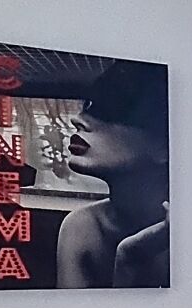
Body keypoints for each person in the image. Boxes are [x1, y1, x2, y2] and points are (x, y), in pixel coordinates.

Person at [55, 60, 170, 288]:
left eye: (114, 111)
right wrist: (129, 261)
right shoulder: (82, 227)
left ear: (165, 145)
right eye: (89, 106)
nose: (78, 119)